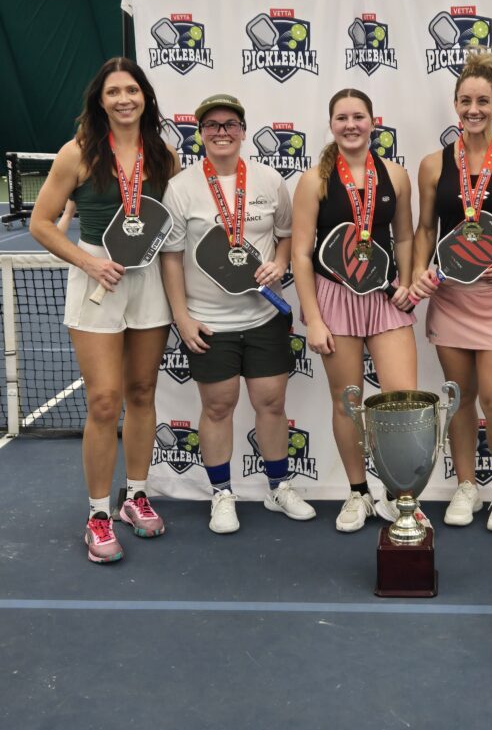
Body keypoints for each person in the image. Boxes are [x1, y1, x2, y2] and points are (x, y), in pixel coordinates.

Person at [30, 57, 179, 563]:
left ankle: (135, 496)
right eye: (113, 91)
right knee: (103, 400)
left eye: (131, 90)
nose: (123, 99)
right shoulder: (77, 152)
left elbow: (172, 223)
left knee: (142, 392)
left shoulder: (164, 155)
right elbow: (41, 223)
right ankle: (97, 514)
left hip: (149, 281)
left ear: (145, 97)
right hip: (97, 275)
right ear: (100, 100)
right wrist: (89, 263)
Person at [160, 93, 316, 534]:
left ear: (243, 132)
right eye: (212, 125)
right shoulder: (181, 187)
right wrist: (182, 318)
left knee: (271, 403)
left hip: (264, 318)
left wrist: (280, 264)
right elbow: (171, 257)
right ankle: (222, 494)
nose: (222, 132)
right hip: (209, 323)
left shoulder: (269, 180)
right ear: (201, 134)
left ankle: (278, 487)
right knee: (217, 407)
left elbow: (286, 235)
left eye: (230, 124)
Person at [410, 51, 492, 532]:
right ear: (455, 104)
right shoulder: (432, 165)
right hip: (451, 298)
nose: (473, 109)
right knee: (460, 399)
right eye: (465, 100)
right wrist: (419, 271)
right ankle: (466, 486)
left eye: (483, 101)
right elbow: (426, 228)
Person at [291, 88, 419, 532]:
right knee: (348, 401)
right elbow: (301, 254)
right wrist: (313, 318)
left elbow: (405, 237)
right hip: (334, 298)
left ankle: (400, 493)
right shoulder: (314, 180)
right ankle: (358, 492)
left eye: (358, 116)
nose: (351, 125)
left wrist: (407, 282)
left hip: (384, 296)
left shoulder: (396, 175)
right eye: (342, 118)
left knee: (401, 400)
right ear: (331, 124)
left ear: (372, 122)